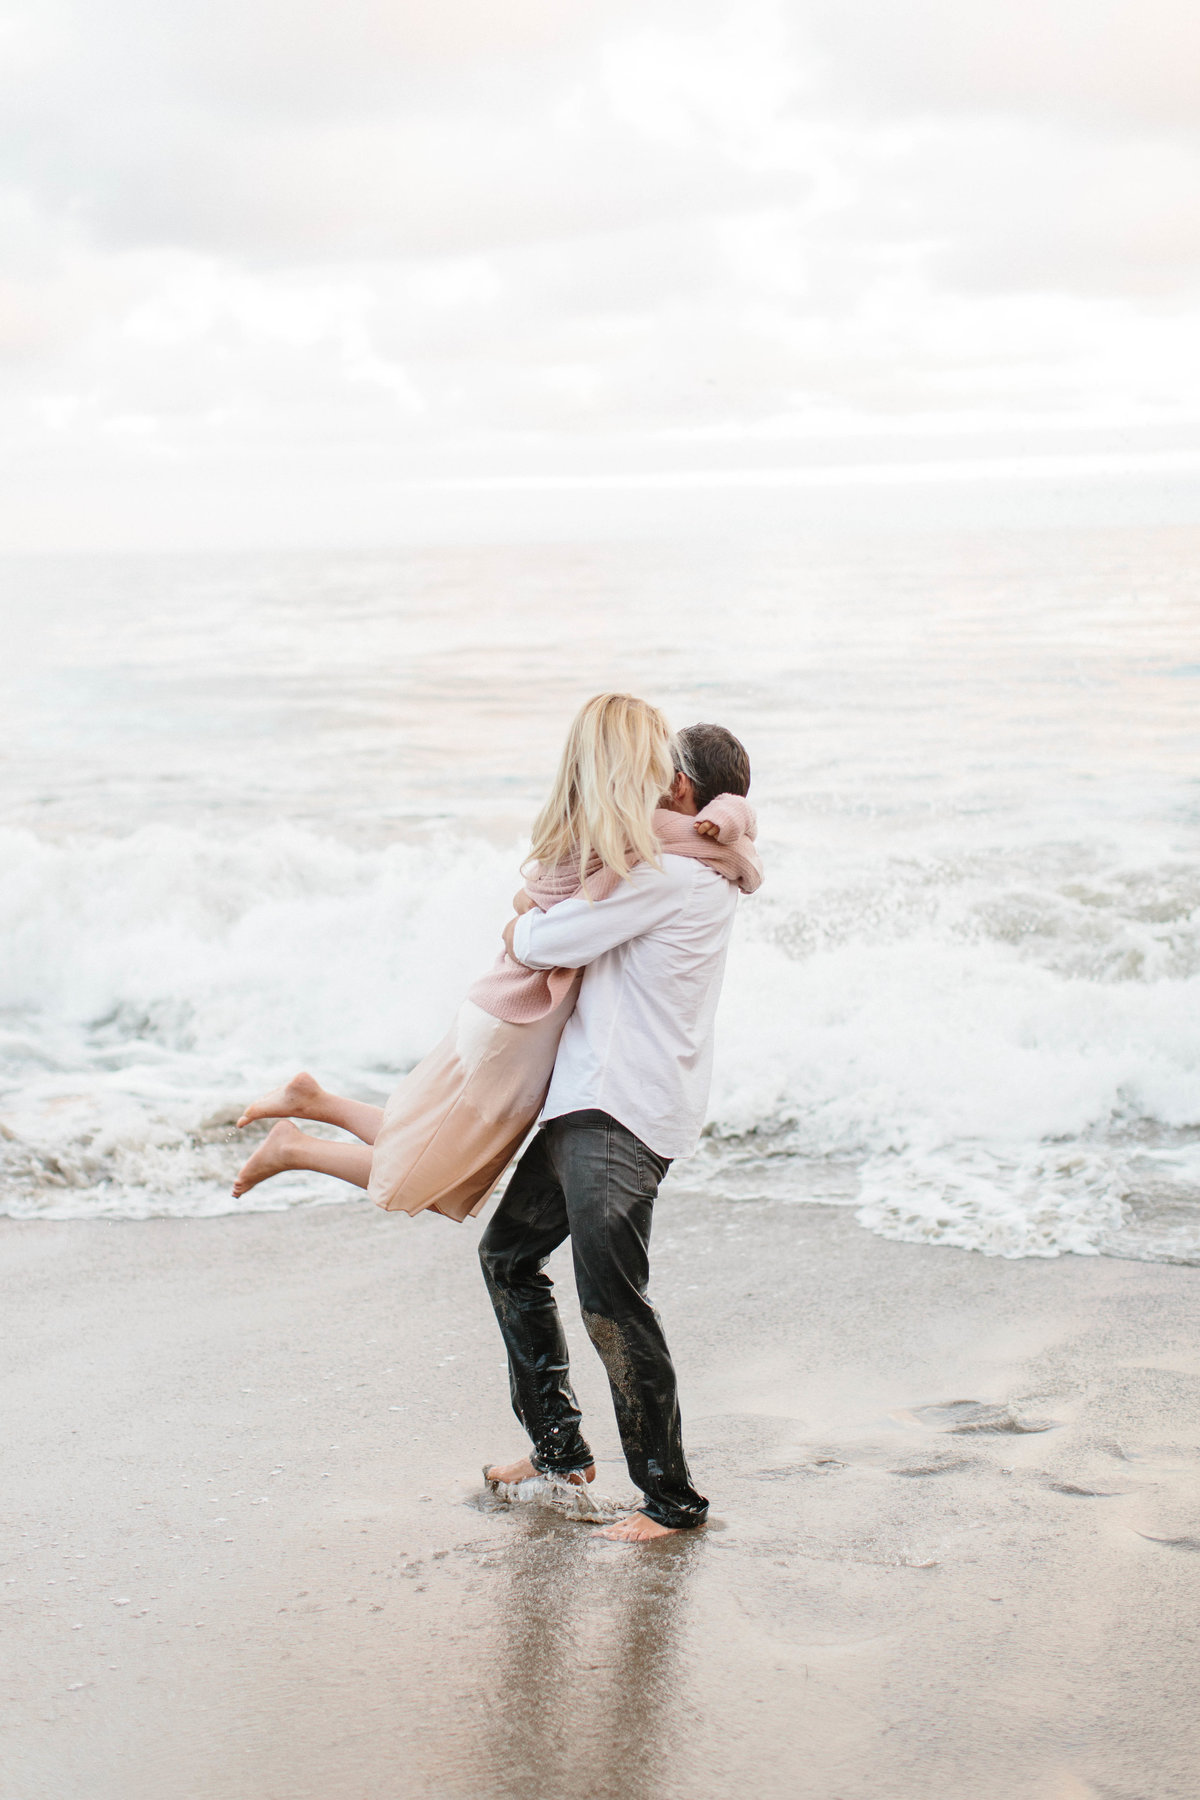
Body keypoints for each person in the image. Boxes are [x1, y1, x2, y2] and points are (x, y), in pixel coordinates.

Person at [231, 702, 760, 1240]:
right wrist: (733, 831)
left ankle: (312, 1106)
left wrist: (730, 821)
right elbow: (734, 851)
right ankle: (296, 1147)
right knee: (432, 1173)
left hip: (513, 1008)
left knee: (432, 1144)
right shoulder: (651, 837)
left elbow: (733, 836)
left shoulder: (621, 823)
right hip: (519, 1016)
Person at [479, 715, 755, 1543]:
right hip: (587, 1103)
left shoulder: (673, 877)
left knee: (613, 1302)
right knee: (508, 1256)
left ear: (678, 788)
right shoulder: (685, 864)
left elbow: (543, 939)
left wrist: (520, 921)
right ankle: (560, 1449)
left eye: (655, 769)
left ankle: (671, 1502)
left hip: (621, 1112)